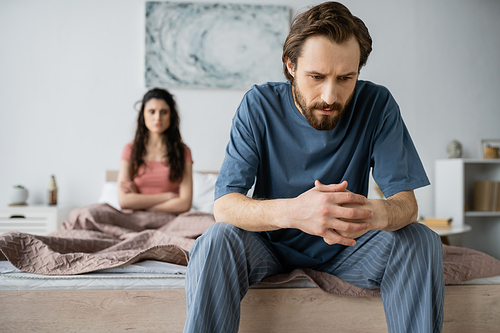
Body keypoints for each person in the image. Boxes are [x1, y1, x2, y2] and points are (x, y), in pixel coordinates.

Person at [184, 2, 444, 333]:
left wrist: (368, 214)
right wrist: (295, 213)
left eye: (345, 78)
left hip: (347, 248)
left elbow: (406, 206)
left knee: (421, 239)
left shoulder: (378, 105)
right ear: (290, 65)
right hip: (269, 246)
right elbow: (224, 205)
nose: (330, 95)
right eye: (316, 77)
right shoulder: (258, 105)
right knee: (216, 239)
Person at [118, 88, 193, 214]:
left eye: (164, 112)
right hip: (135, 219)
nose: (157, 117)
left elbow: (185, 203)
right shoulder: (130, 150)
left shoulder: (183, 151)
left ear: (171, 115)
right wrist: (167, 196)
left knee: (207, 222)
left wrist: (140, 204)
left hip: (171, 220)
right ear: (143, 114)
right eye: (152, 111)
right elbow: (124, 201)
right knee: (88, 213)